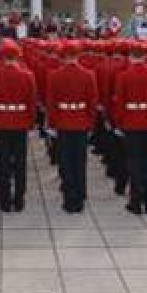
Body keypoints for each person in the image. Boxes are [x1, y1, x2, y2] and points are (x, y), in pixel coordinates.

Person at [113, 41, 147, 214]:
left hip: (131, 122)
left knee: (134, 163)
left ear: (131, 57)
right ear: (146, 57)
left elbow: (120, 103)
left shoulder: (123, 76)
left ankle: (135, 202)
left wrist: (119, 123)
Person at [45, 42, 98, 213]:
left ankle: (69, 199)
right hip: (81, 121)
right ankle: (81, 195)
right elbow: (92, 102)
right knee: (80, 161)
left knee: (66, 162)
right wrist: (91, 123)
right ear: (78, 56)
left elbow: (51, 103)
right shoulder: (88, 75)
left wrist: (51, 124)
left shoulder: (55, 76)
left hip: (62, 122)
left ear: (63, 56)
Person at [0, 40, 37, 212]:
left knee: (3, 163)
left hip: (1, 122)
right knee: (20, 163)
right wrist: (31, 123)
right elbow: (31, 102)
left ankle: (4, 200)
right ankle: (19, 199)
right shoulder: (28, 76)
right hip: (21, 122)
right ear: (18, 56)